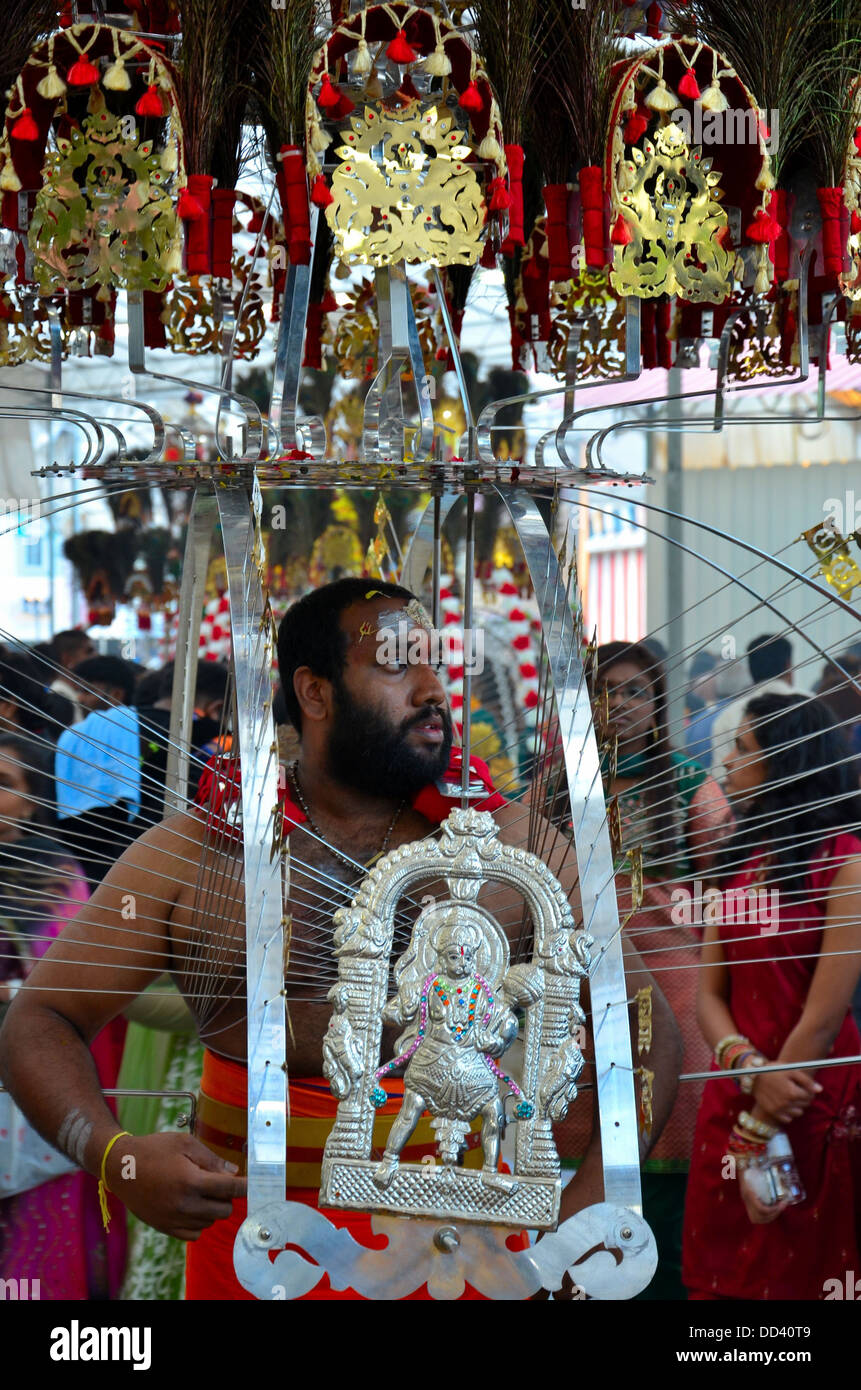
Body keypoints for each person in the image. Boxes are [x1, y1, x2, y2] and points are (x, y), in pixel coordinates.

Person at [0, 579, 681, 1302]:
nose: (432, 691)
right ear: (314, 693)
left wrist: (583, 1220)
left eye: (434, 665)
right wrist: (119, 1158)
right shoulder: (201, 852)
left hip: (472, 1261)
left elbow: (643, 1031)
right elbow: (39, 1022)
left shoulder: (510, 845)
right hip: (256, 1259)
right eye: (395, 664)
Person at [563, 640, 731, 1299]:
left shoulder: (690, 784)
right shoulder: (554, 787)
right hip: (579, 999)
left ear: (658, 706)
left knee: (668, 1156)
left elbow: (725, 893)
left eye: (636, 692)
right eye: (608, 692)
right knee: (580, 1149)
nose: (622, 706)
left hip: (677, 994)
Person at [683, 692, 861, 1299]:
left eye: (744, 748)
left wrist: (763, 1120)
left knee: (805, 1273)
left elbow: (826, 1013)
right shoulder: (733, 861)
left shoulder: (844, 863)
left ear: (790, 763)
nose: (727, 762)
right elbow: (709, 993)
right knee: (723, 1276)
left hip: (809, 1095)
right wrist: (751, 1072)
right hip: (737, 1089)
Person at [0, 734, 127, 1298]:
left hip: (26, 1098)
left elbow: (71, 1002)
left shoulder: (55, 884)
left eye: (4, 786)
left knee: (30, 1264)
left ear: (32, 802)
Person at [53, 657, 140, 886]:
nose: (80, 699)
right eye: (79, 691)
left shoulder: (133, 726)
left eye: (88, 691)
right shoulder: (72, 734)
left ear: (117, 694)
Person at [709, 634, 812, 781]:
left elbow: (721, 779)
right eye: (742, 749)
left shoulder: (727, 717)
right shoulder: (812, 706)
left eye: (743, 749)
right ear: (789, 665)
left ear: (750, 669)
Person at [47, 630, 96, 724]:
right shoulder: (60, 696)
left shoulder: (73, 693)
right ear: (67, 658)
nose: (95, 656)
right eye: (89, 651)